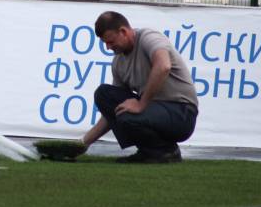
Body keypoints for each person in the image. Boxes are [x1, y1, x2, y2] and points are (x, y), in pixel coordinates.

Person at [81, 11, 199, 163]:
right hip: (155, 112)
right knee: (104, 95)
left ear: (123, 31)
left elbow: (163, 66)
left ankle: (165, 152)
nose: (108, 47)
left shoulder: (149, 37)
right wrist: (83, 143)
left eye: (110, 41)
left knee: (128, 116)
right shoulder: (118, 63)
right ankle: (151, 151)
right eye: (105, 43)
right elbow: (113, 112)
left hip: (182, 113)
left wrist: (141, 104)